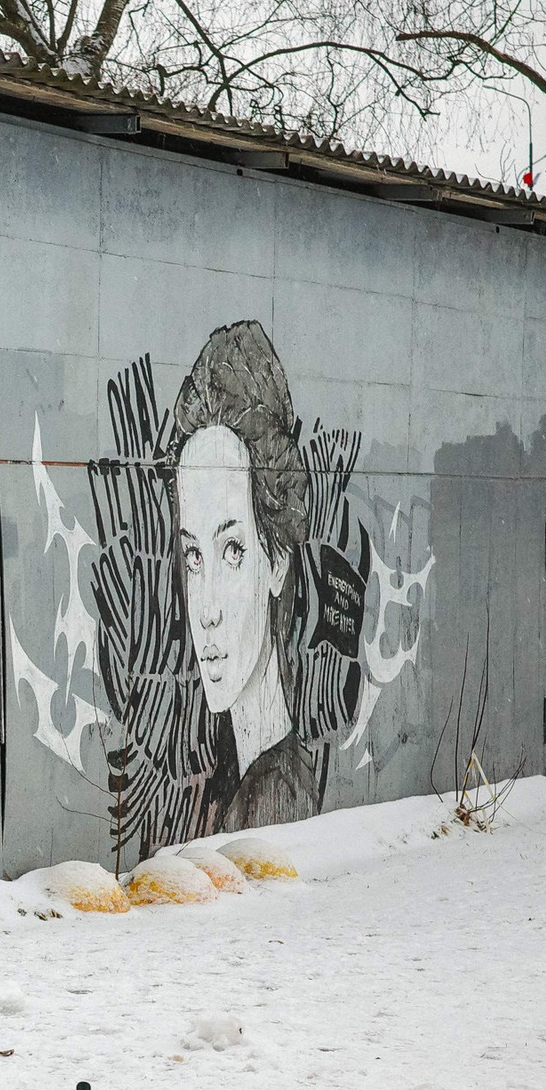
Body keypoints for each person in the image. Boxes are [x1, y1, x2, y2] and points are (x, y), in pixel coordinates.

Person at [164, 321, 324, 833]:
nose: (205, 611)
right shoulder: (229, 782)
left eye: (232, 549)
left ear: (277, 560)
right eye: (193, 558)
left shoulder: (275, 802)